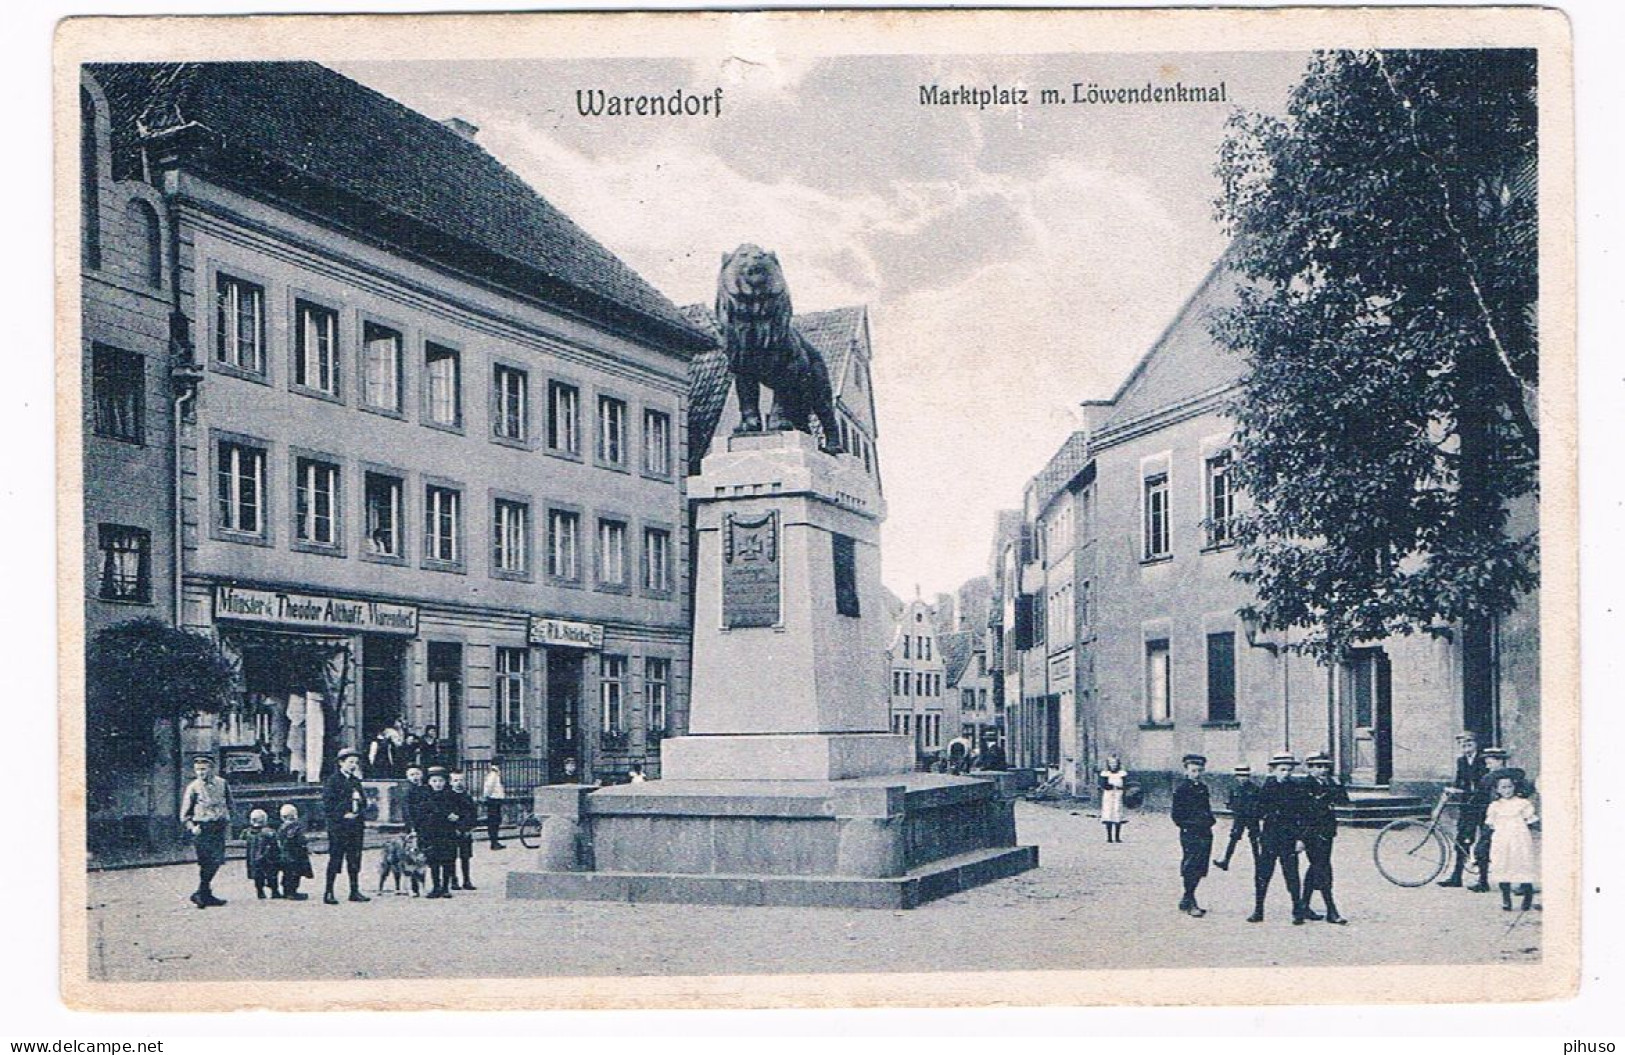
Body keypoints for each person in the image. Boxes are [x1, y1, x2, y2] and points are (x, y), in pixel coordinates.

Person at [1250, 752, 1308, 924]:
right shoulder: (1266, 788)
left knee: (1292, 874)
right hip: (1270, 838)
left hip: (1289, 838)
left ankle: (1297, 910)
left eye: (1289, 770)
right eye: (1282, 770)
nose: (1286, 773)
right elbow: (1257, 811)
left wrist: (1301, 839)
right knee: (1263, 874)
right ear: (1273, 770)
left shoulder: (1296, 788)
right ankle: (1258, 909)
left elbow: (1303, 816)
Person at [1300, 752, 1350, 924]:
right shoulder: (1304, 785)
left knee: (1316, 868)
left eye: (1325, 767)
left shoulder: (1329, 783)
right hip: (1310, 833)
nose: (1323, 770)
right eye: (1318, 767)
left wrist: (1337, 785)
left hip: (1327, 832)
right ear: (1309, 768)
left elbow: (1344, 801)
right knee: (1323, 870)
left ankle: (1304, 905)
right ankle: (1331, 910)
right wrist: (1300, 838)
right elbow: (1303, 812)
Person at [179, 754, 234, 909]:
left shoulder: (222, 783)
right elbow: (184, 814)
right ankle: (203, 893)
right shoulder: (193, 787)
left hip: (218, 826)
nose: (200, 773)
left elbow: (230, 803)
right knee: (206, 862)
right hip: (202, 828)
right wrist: (192, 827)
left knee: (216, 861)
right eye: (197, 770)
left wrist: (227, 820)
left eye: (203, 769)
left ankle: (202, 893)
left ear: (212, 768)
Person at [322, 748, 372, 905]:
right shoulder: (333, 781)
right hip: (339, 827)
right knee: (335, 859)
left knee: (354, 859)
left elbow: (363, 801)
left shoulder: (355, 781)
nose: (353, 765)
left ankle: (354, 890)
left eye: (356, 763)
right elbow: (328, 805)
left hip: (355, 826)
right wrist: (343, 814)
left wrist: (361, 809)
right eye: (350, 762)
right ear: (341, 763)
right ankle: (329, 891)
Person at [1483, 773, 1539, 912]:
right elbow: (1490, 825)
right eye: (1503, 787)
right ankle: (1506, 899)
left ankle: (1527, 897)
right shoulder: (1495, 806)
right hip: (1502, 839)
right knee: (1503, 865)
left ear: (1514, 787)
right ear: (1497, 789)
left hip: (1519, 838)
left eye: (1509, 787)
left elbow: (1532, 820)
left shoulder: (1522, 804)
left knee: (1522, 864)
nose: (1507, 790)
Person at [1439, 732, 1488, 888]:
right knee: (1462, 839)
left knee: (1484, 842)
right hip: (1467, 806)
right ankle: (1456, 877)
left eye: (1469, 742)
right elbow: (1460, 782)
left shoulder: (1483, 759)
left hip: (1483, 805)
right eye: (1462, 743)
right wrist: (1453, 790)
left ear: (1476, 743)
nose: (1465, 746)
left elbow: (1484, 783)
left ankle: (1483, 880)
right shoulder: (1461, 761)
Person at [1170, 753, 1216, 918]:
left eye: (1199, 771)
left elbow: (1206, 808)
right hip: (1190, 833)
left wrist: (1210, 821)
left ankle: (1186, 898)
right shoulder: (1181, 790)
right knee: (1191, 866)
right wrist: (1189, 825)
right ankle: (1191, 901)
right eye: (1194, 771)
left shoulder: (1203, 788)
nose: (1197, 774)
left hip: (1205, 832)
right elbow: (1176, 815)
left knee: (1201, 866)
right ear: (1186, 772)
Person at [414, 766, 461, 898]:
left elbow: (462, 810)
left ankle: (446, 887)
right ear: (429, 782)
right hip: (431, 833)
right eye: (434, 781)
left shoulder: (451, 795)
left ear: (445, 781)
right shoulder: (424, 796)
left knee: (447, 860)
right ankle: (436, 886)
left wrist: (457, 817)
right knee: (433, 861)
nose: (438, 784)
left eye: (440, 781)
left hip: (447, 833)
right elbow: (420, 814)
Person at [1213, 764, 1261, 872]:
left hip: (1252, 817)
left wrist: (1254, 812)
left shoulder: (1255, 789)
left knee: (1254, 840)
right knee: (1233, 838)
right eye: (1240, 776)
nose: (1243, 778)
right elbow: (1230, 802)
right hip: (1239, 817)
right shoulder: (1235, 789)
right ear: (1236, 777)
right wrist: (1232, 806)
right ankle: (1225, 861)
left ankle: (1259, 863)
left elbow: (1259, 804)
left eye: (1245, 776)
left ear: (1249, 776)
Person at [275, 803, 313, 901]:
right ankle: (292, 892)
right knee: (295, 875)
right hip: (296, 855)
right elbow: (301, 840)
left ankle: (286, 891)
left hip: (284, 855)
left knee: (286, 874)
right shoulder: (297, 828)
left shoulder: (281, 828)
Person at [448, 770, 478, 891]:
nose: (458, 783)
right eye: (455, 780)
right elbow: (449, 814)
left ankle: (467, 880)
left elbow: (473, 813)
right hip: (453, 830)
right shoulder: (448, 797)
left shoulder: (467, 796)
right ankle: (453, 879)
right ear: (450, 782)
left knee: (465, 856)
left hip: (466, 830)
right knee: (451, 856)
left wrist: (470, 827)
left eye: (460, 780)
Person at [242, 807, 281, 900]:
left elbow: (243, 838)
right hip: (269, 857)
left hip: (254, 858)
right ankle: (274, 891)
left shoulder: (248, 833)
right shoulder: (270, 832)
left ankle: (260, 891)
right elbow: (275, 844)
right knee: (272, 874)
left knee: (258, 876)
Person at [1099, 755, 1129, 843]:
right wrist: (1111, 786)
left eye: (1115, 763)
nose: (1113, 765)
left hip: (1118, 794)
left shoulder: (1122, 773)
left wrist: (1122, 788)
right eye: (1111, 763)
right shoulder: (1105, 773)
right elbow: (1103, 785)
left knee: (1117, 811)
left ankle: (1117, 836)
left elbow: (1125, 784)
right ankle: (1109, 837)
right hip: (1108, 795)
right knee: (1108, 812)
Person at [481, 760, 507, 850]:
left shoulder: (495, 774)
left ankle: (495, 842)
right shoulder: (493, 774)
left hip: (495, 800)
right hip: (493, 800)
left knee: (495, 821)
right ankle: (494, 843)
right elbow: (489, 787)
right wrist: (486, 796)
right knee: (493, 822)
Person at [398, 763, 429, 835]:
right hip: (415, 822)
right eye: (412, 775)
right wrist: (411, 826)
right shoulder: (408, 791)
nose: (415, 777)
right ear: (407, 777)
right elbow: (406, 809)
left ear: (422, 775)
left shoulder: (426, 788)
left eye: (417, 774)